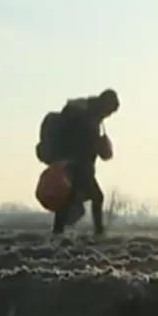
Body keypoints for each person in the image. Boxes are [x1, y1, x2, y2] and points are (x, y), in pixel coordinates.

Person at [41, 89, 119, 236]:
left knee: (67, 198)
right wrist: (96, 145)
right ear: (106, 105)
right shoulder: (88, 116)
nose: (109, 115)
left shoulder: (86, 111)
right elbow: (81, 142)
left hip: (70, 164)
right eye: (110, 111)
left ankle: (58, 232)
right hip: (78, 165)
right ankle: (99, 232)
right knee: (97, 197)